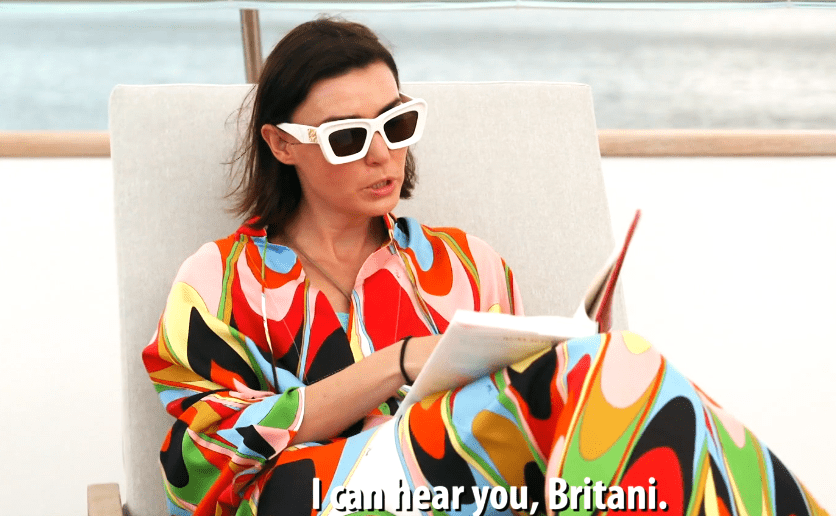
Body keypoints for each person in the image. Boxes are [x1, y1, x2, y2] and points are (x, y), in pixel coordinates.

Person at [142, 18, 827, 516]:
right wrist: (395, 364)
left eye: (396, 125)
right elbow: (199, 464)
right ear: (282, 144)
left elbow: (510, 415)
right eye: (348, 137)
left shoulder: (465, 265)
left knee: (618, 377)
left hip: (467, 496)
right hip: (302, 500)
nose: (382, 155)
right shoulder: (221, 279)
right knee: (606, 374)